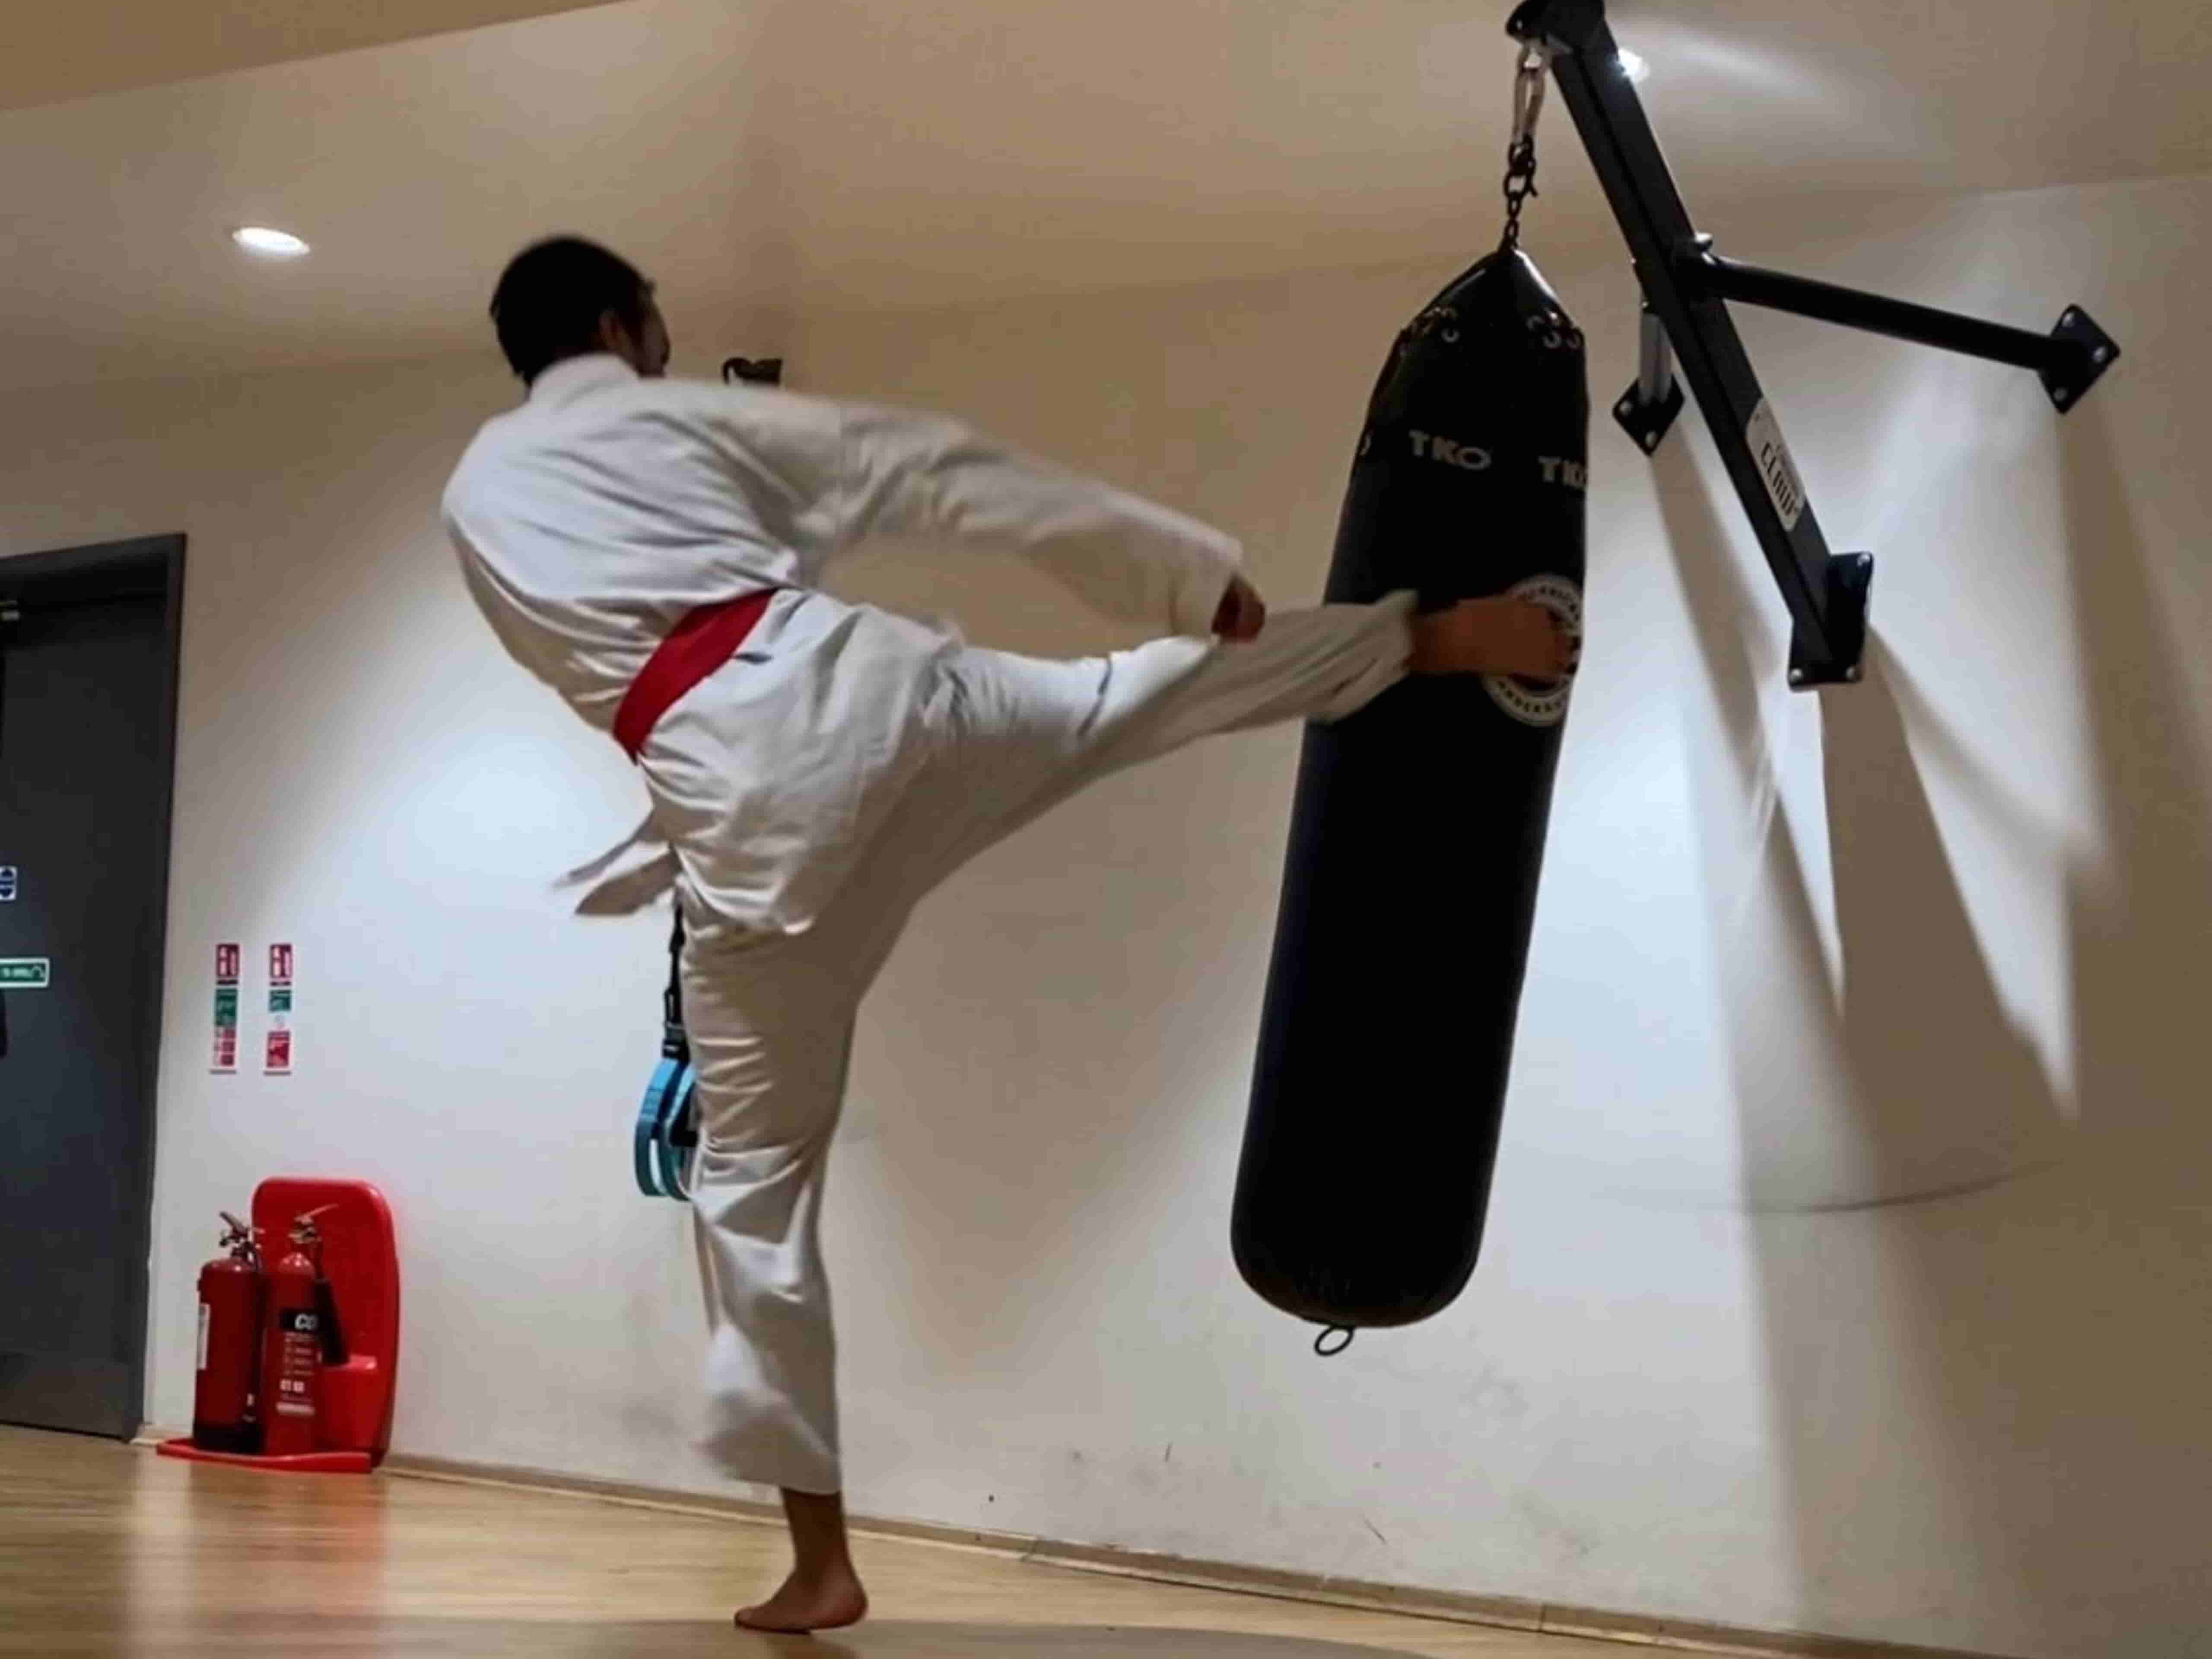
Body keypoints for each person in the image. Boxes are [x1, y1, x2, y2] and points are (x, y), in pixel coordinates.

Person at [442, 235, 1573, 1633]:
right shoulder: (672, 412)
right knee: (1124, 699)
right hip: (875, 705)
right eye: (658, 324)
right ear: (623, 323)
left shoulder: (475, 491)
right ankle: (1419, 639)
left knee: (748, 1188)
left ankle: (821, 1562)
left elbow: (590, 641)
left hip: (741, 823)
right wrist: (1172, 568)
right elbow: (930, 466)